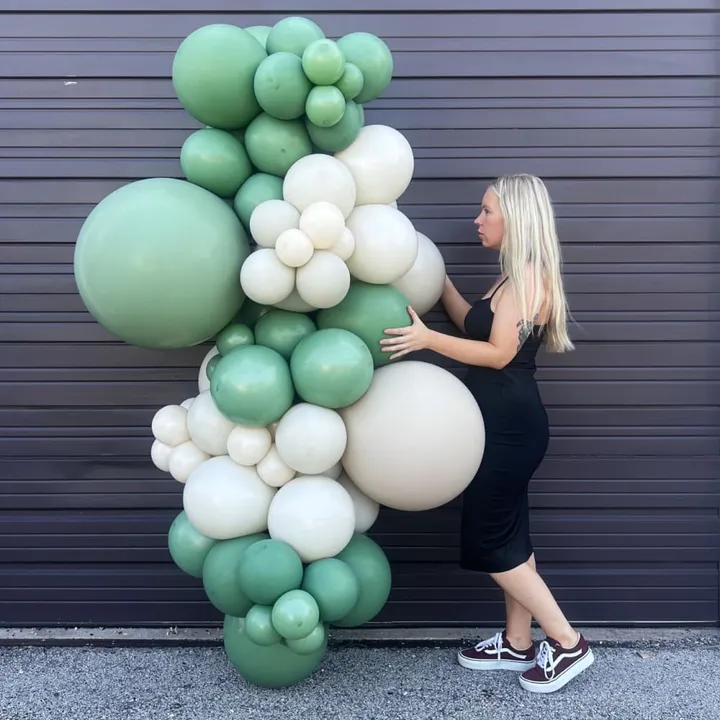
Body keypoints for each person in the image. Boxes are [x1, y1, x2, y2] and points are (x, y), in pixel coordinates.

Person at [380, 173, 594, 694]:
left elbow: (499, 354)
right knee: (513, 538)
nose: (477, 220)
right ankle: (517, 643)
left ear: (515, 219)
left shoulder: (529, 280)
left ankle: (568, 644)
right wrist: (435, 281)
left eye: (487, 212)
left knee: (491, 538)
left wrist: (426, 340)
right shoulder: (510, 276)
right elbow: (474, 324)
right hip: (500, 424)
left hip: (508, 428)